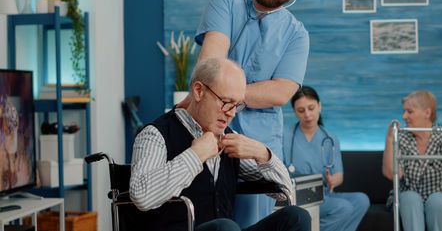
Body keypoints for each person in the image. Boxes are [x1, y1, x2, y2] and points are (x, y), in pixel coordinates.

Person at [194, 0, 310, 226]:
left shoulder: (296, 34)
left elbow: (281, 92)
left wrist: (222, 93)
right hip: (207, 129)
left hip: (258, 144)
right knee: (206, 218)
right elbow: (210, 64)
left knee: (250, 223)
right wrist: (243, 92)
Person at [130, 58, 311, 231]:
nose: (231, 113)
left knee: (297, 217)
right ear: (199, 91)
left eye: (237, 105)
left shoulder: (228, 140)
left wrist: (263, 154)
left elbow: (286, 192)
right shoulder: (155, 134)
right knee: (225, 227)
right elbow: (142, 196)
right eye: (226, 102)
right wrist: (196, 155)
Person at [382, 90, 442, 231]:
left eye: (409, 112)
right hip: (408, 198)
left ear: (427, 113)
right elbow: (391, 174)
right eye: (404, 111)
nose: (404, 116)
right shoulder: (401, 137)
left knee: (437, 200)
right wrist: (389, 140)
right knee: (410, 197)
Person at [283, 86, 370, 231]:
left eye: (311, 108)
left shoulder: (330, 138)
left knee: (361, 200)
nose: (307, 114)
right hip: (297, 196)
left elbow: (338, 175)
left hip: (323, 195)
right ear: (294, 112)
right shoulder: (285, 135)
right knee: (343, 208)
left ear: (319, 106)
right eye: (301, 110)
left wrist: (333, 180)